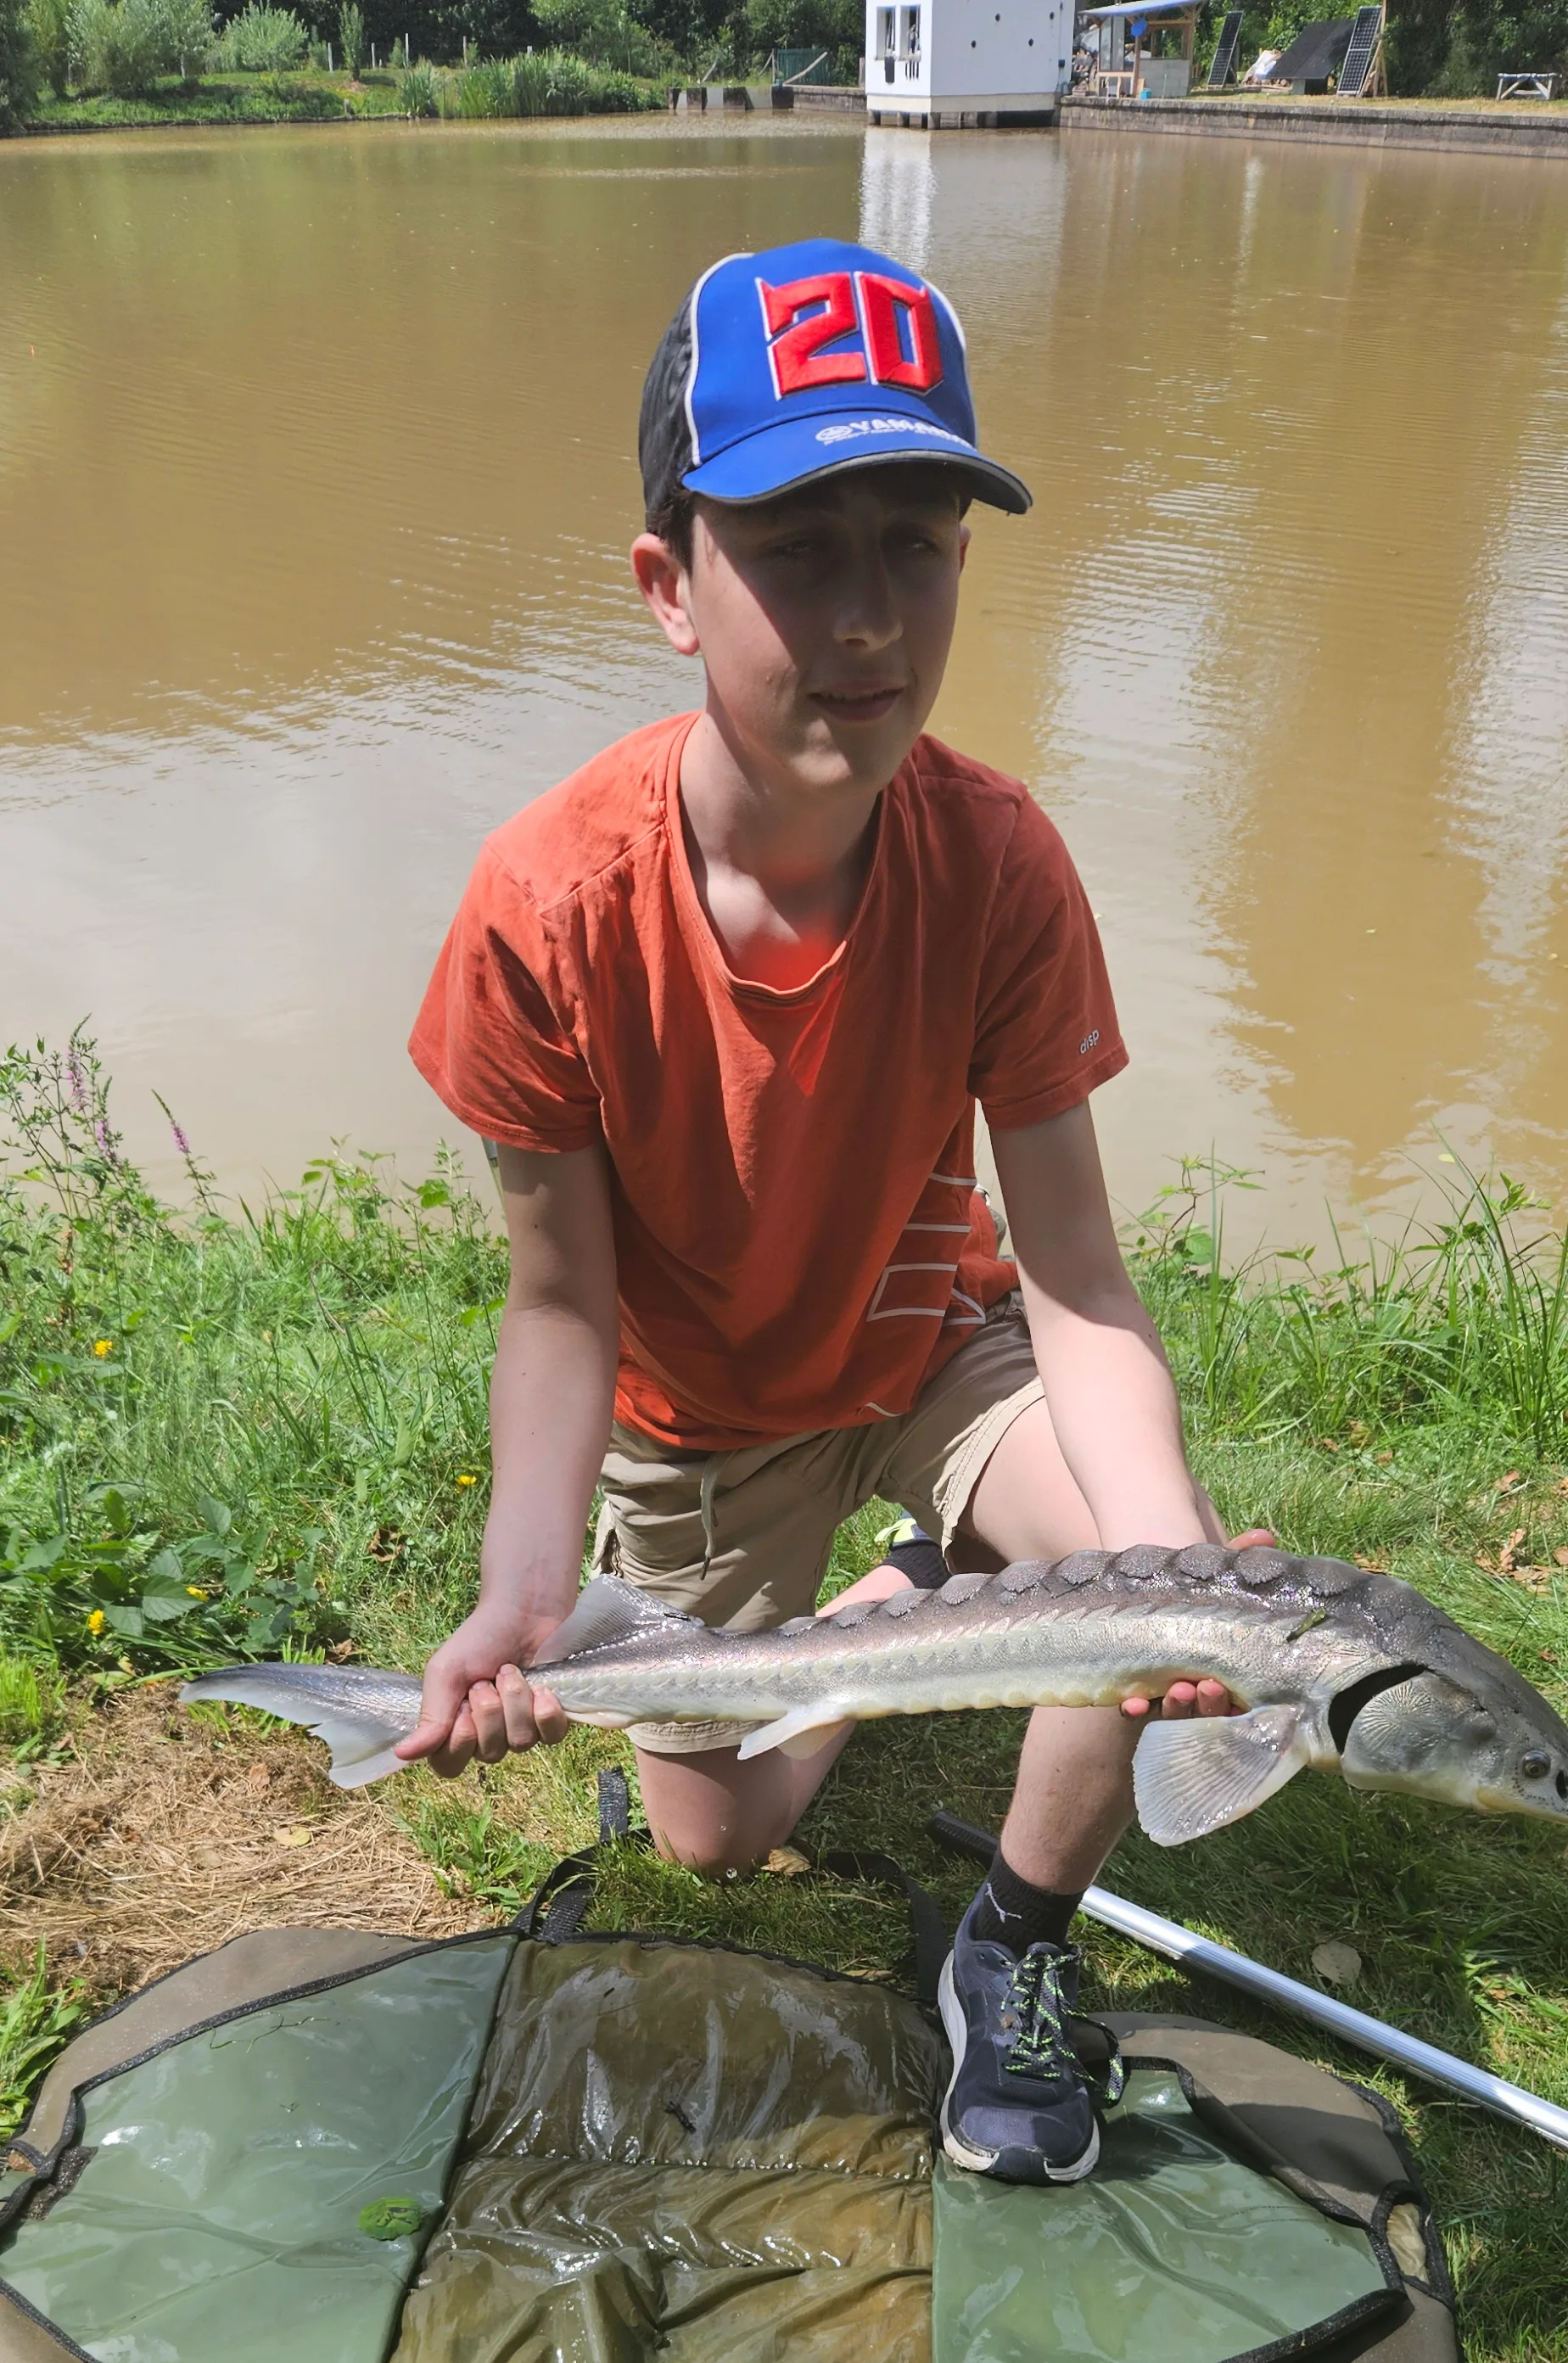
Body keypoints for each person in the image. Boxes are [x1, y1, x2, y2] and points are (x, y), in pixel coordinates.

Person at [402, 238, 1267, 2187]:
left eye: (918, 547)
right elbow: (560, 1308)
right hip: (702, 1414)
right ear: (669, 585)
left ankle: (1014, 1939)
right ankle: (920, 1595)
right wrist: (528, 1590)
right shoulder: (546, 908)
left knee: (1131, 1601)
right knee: (720, 1837)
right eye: (800, 551)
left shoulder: (1001, 861)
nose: (870, 618)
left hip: (936, 1345)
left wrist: (1169, 1559)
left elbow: (1079, 1280)